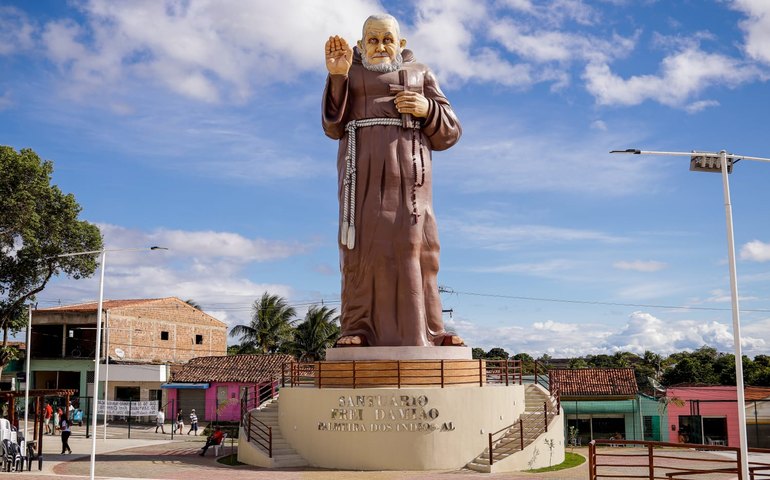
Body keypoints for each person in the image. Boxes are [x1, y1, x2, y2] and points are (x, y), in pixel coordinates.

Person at [323, 13, 463, 347]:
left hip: (411, 179)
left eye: (387, 39)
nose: (381, 46)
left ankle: (430, 331)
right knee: (360, 250)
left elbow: (451, 132)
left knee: (418, 249)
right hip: (362, 176)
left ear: (400, 44)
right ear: (361, 44)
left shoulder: (421, 73)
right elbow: (332, 127)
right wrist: (338, 77)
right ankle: (358, 328)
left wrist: (426, 108)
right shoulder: (349, 72)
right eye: (373, 39)